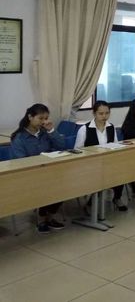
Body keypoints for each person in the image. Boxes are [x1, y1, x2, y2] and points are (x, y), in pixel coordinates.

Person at [11, 103, 66, 233]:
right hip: (30, 174)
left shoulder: (45, 132)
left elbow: (62, 146)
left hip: (48, 171)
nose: (44, 122)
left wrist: (51, 131)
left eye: (46, 118)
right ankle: (41, 219)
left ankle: (50, 217)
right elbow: (20, 161)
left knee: (64, 186)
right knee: (46, 186)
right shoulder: (19, 137)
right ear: (30, 117)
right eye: (40, 118)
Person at [74, 100, 127, 211]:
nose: (104, 116)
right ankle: (91, 203)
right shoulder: (84, 129)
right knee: (100, 175)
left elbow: (115, 145)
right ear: (94, 113)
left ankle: (117, 197)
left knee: (121, 170)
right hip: (90, 164)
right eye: (101, 113)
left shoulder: (111, 127)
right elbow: (77, 151)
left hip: (107, 162)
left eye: (107, 113)